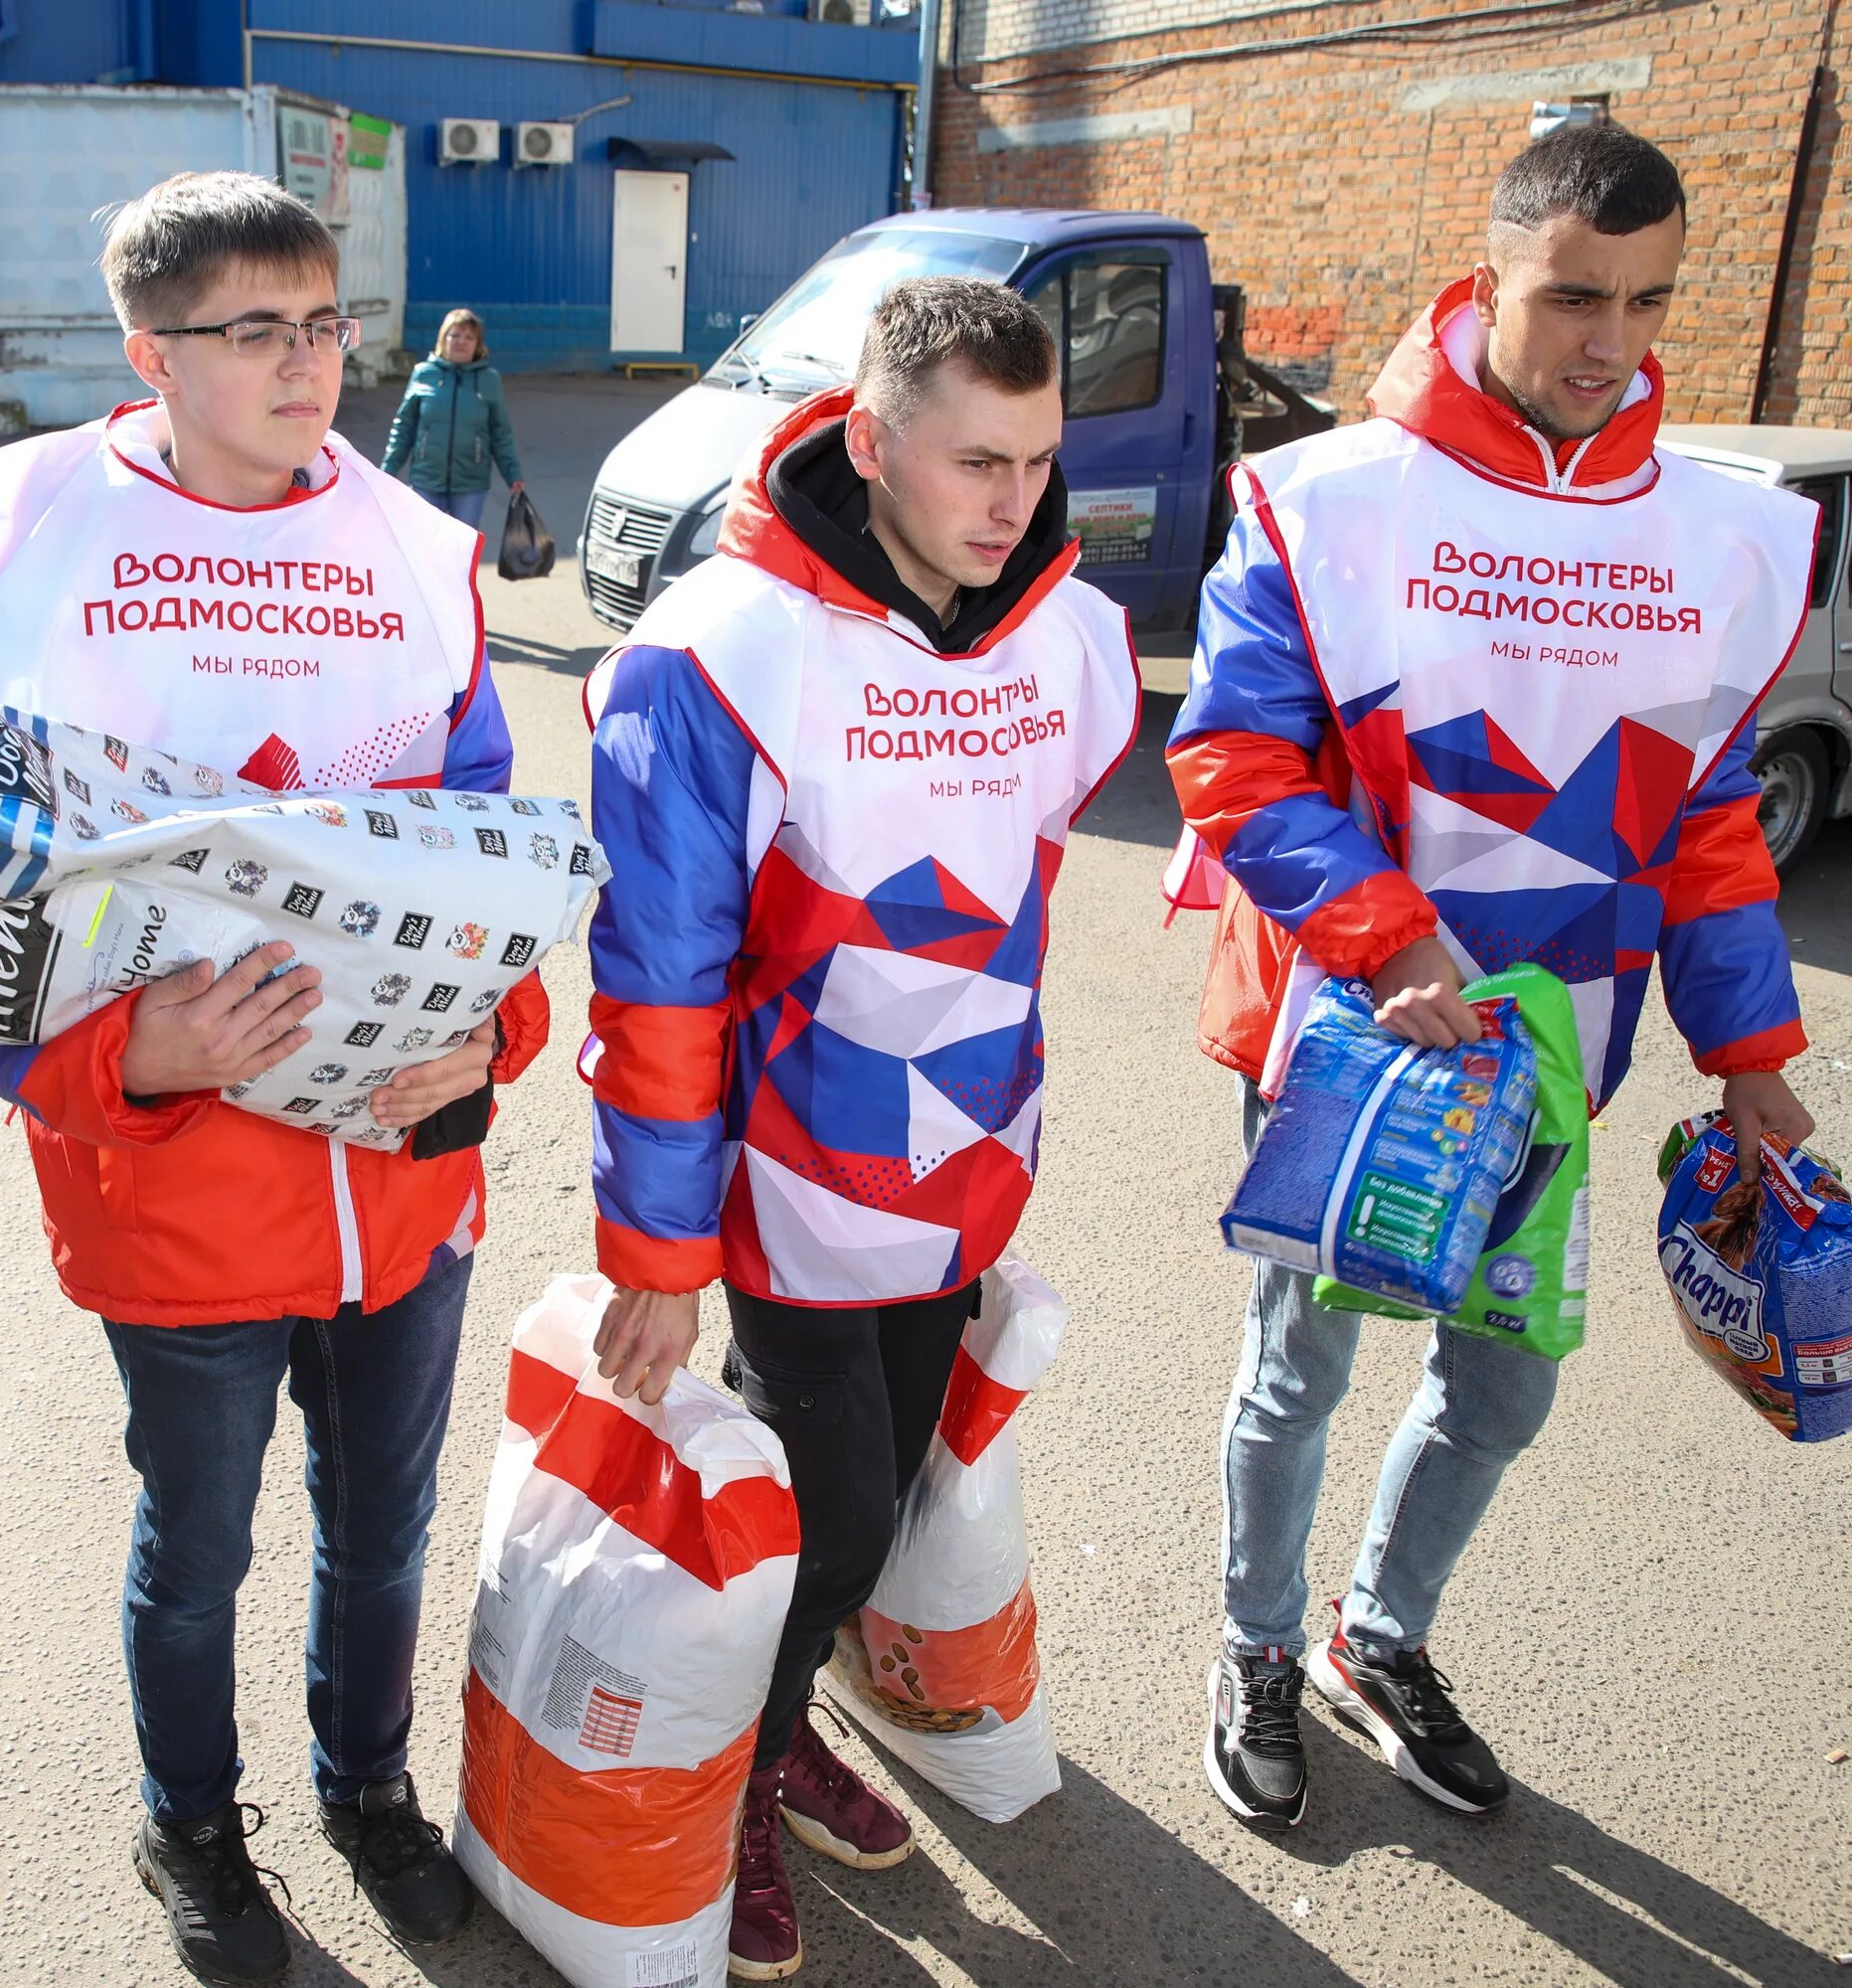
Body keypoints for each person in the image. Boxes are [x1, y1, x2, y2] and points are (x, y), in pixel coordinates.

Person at [0, 172, 551, 1984]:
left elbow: (497, 862)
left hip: (400, 1172)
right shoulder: (19, 539)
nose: (304, 363)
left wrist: (484, 1042)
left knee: (388, 1534)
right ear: (148, 351)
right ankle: (190, 1819)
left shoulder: (421, 551)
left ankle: (370, 1788)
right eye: (253, 330)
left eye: (326, 321)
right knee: (197, 1549)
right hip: (177, 1184)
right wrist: (132, 1052)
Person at [1165, 123, 1818, 1831]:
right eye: (1575, 298)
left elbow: (1715, 823)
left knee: (1503, 1385)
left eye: (1652, 301)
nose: (1614, 342)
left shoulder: (1716, 541)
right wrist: (1388, 941)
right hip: (1354, 1042)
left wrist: (1749, 1049)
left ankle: (1376, 1643)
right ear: (1489, 277)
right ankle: (1249, 1649)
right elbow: (1235, 759)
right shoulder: (1333, 501)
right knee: (1296, 1375)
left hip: (1558, 1063)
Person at [583, 276, 1140, 1982]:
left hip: (967, 1158)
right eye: (975, 460)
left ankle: (786, 1705)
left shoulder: (1074, 637)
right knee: (817, 1507)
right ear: (871, 434)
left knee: (879, 1500)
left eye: (1039, 463)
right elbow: (659, 980)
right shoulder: (717, 649)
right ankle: (738, 1772)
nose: (1012, 504)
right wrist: (659, 1250)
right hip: (787, 1180)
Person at [380, 306, 524, 534]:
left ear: (478, 344)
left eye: (469, 337)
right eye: (455, 335)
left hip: (470, 484)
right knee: (424, 549)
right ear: (443, 338)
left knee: (462, 552)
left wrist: (513, 475)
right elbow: (404, 428)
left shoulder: (489, 380)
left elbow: (500, 433)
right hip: (426, 481)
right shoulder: (424, 374)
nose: (461, 342)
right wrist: (386, 472)